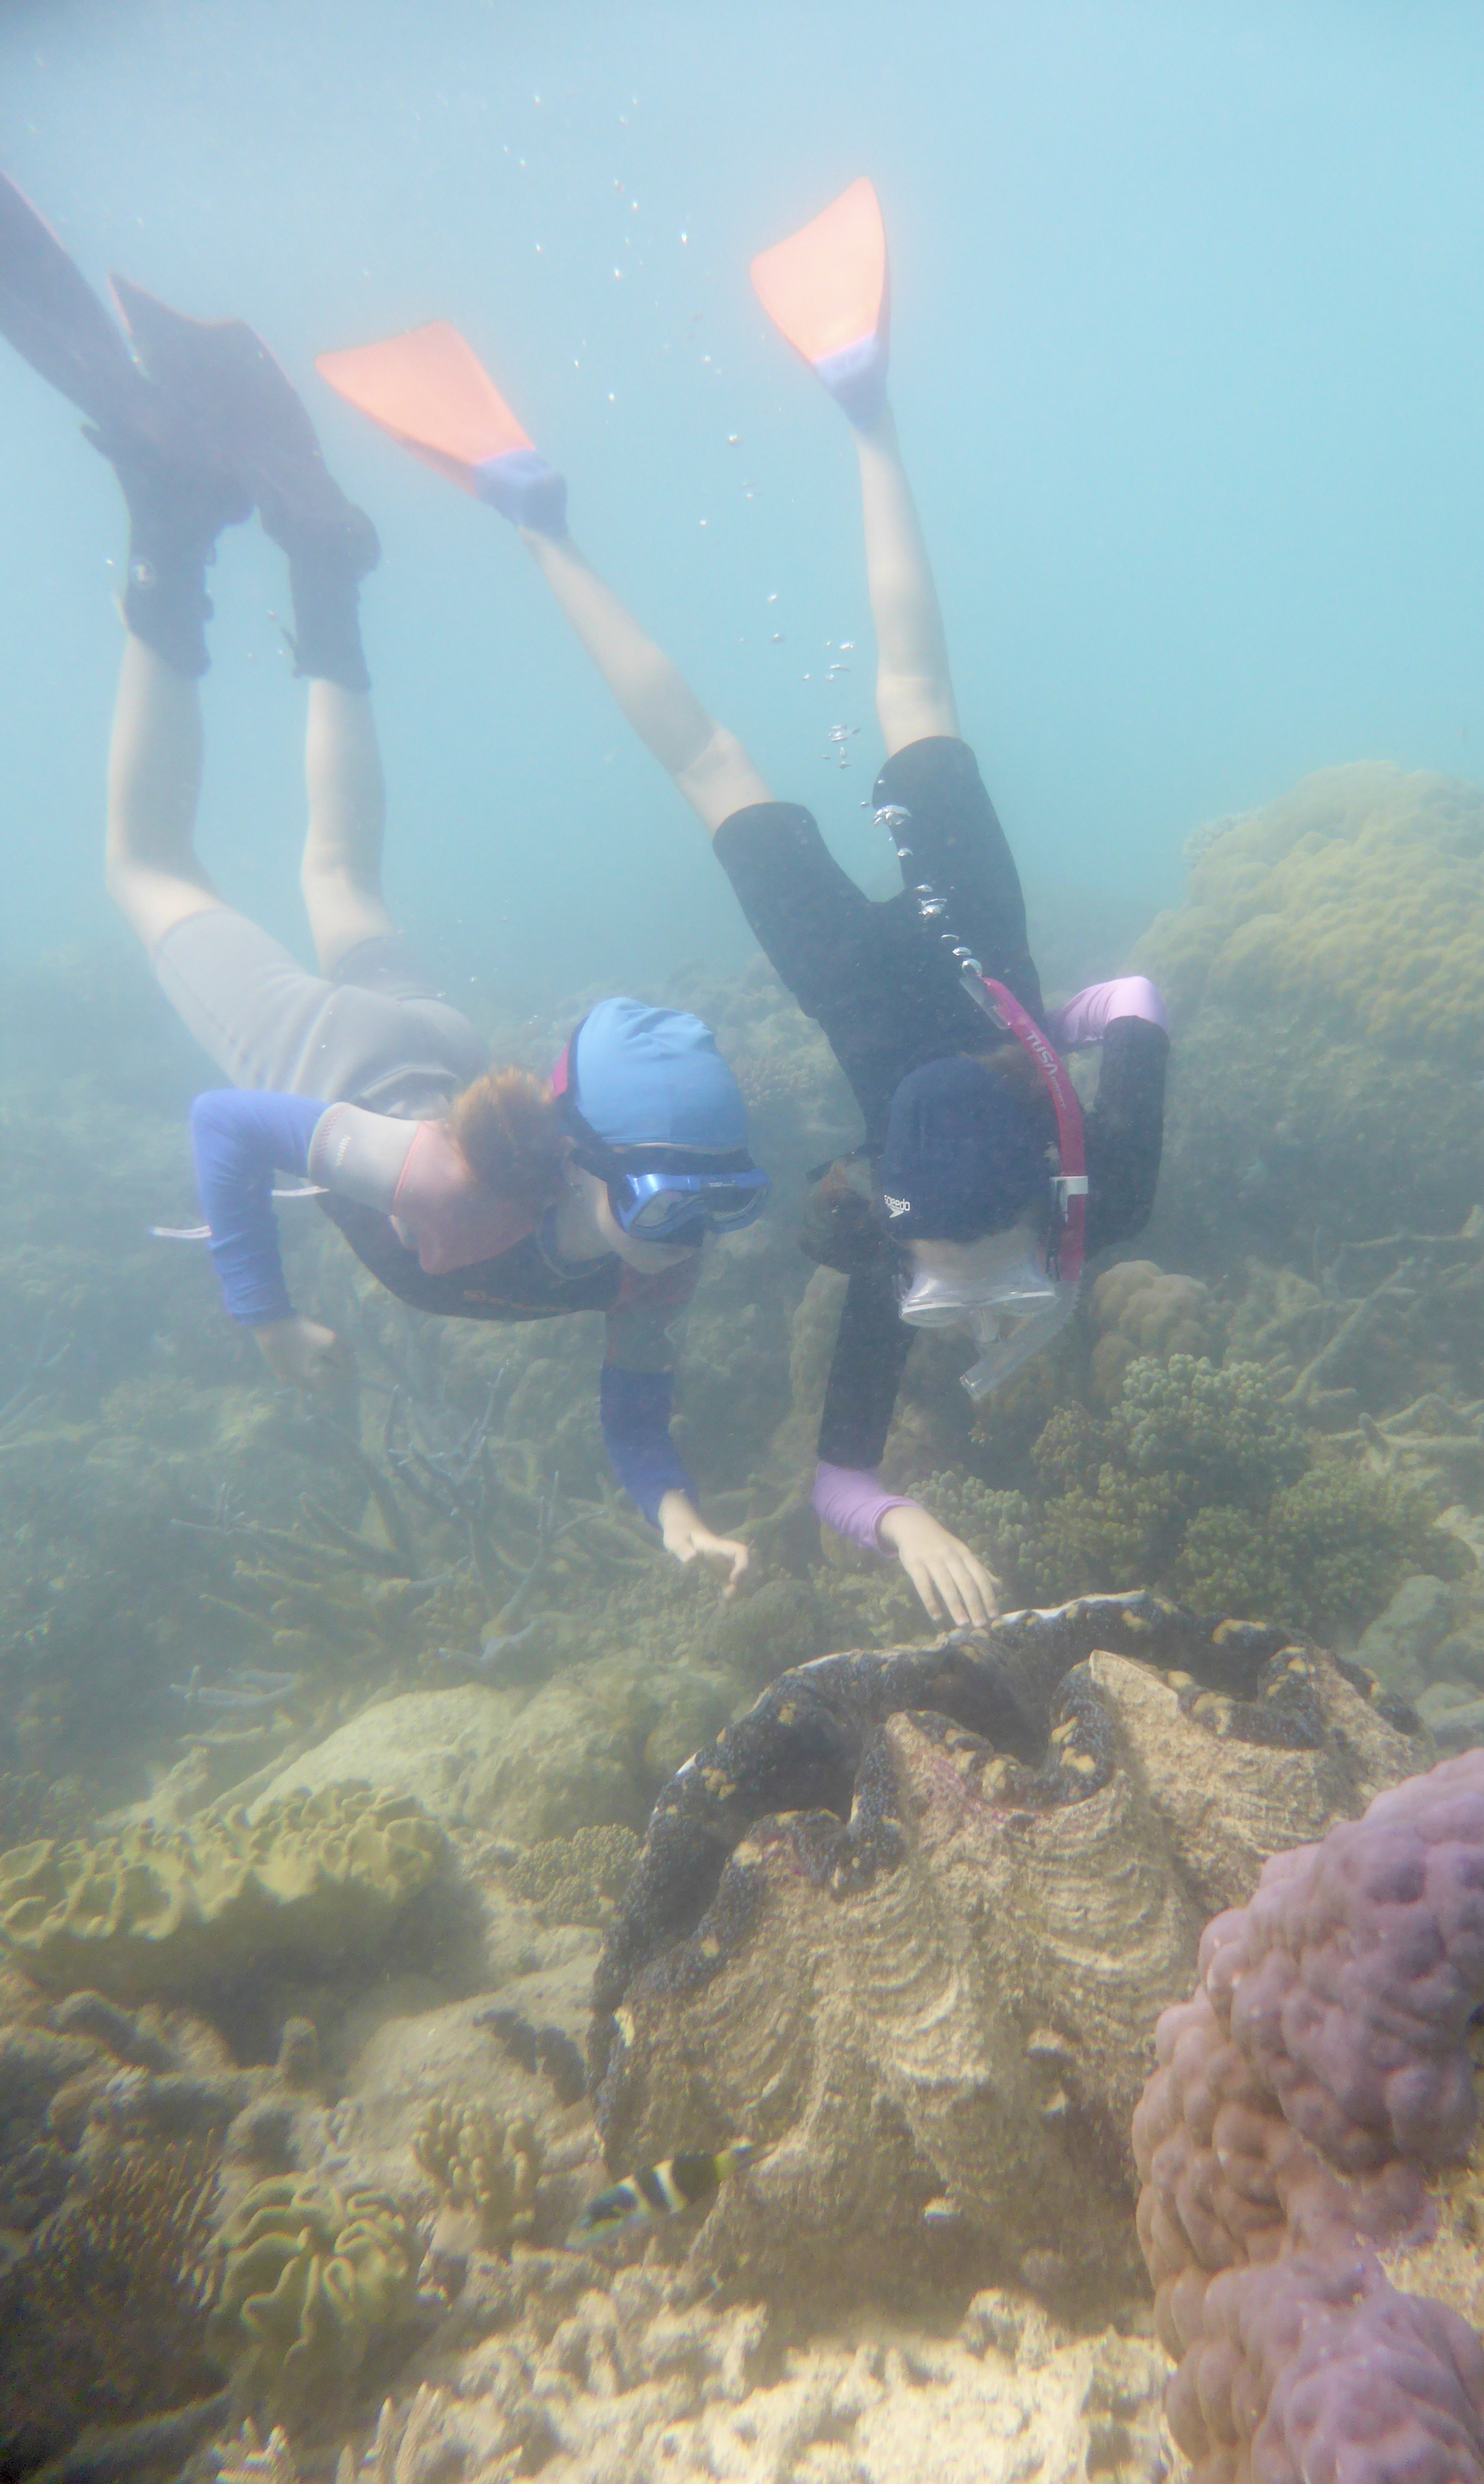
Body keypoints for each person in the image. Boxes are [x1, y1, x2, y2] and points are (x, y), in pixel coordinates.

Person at [318, 179, 1171, 1631]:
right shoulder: (1099, 1191)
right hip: (910, 968)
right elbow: (1139, 1001)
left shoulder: (907, 1237)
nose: (955, 1302)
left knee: (749, 749)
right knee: (874, 705)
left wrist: (896, 1520)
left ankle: (536, 513)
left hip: (882, 974)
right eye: (965, 1281)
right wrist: (1070, 1019)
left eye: (947, 1286)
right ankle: (857, 392)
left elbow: (838, 1474)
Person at [0, 175, 766, 1598]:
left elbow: (636, 1408)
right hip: (342, 1062)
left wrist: (678, 1517)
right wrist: (265, 1317)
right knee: (148, 865)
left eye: (698, 1218)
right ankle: (172, 531)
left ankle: (331, 578)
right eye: (665, 1211)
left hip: (432, 1042)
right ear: (574, 1156)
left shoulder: (660, 1242)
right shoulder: (417, 1166)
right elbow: (229, 1119)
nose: (673, 1252)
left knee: (337, 867)